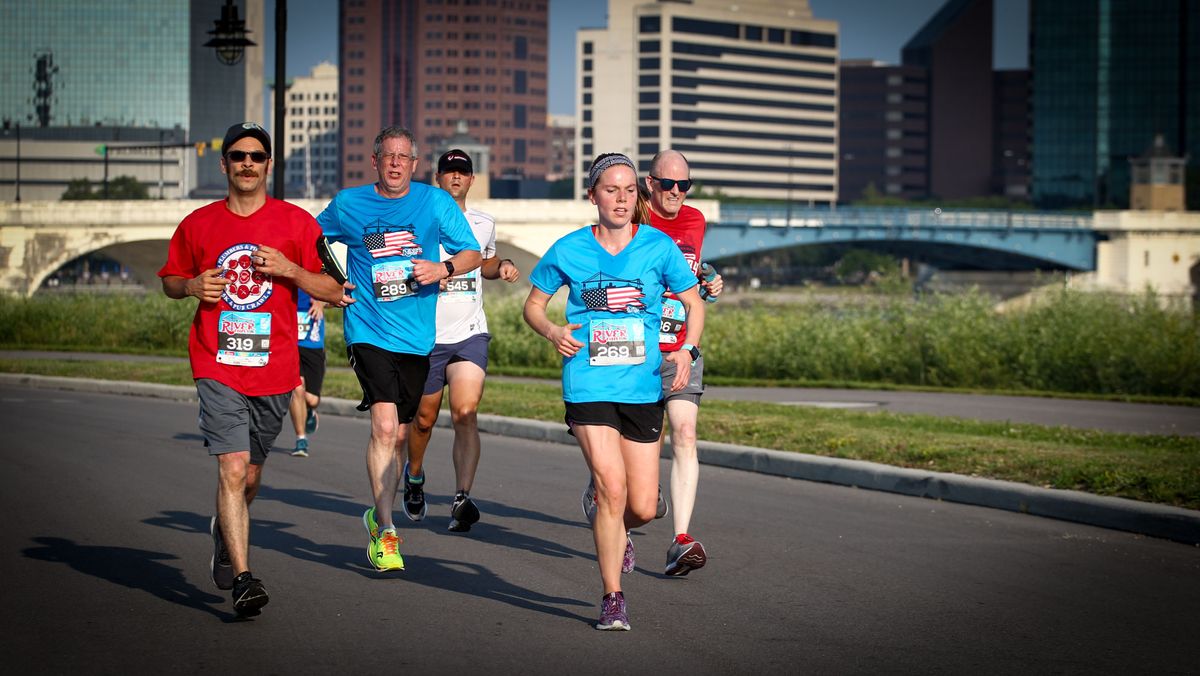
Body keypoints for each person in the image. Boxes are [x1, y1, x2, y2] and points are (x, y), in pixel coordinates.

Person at [158, 122, 348, 616]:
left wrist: (289, 270)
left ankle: (226, 530)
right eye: (238, 155)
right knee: (232, 466)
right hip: (216, 362)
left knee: (251, 478)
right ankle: (244, 578)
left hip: (275, 369)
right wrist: (192, 287)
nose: (248, 162)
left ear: (269, 165)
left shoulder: (298, 224)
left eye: (257, 156)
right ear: (224, 164)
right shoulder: (198, 224)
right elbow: (171, 282)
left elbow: (336, 291)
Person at [524, 153, 704, 631]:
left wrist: (687, 349)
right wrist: (551, 331)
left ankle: (619, 524)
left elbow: (692, 301)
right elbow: (533, 305)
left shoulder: (658, 248)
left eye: (628, 191)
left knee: (643, 506)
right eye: (611, 190)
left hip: (642, 386)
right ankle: (612, 597)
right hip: (588, 382)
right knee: (612, 490)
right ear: (593, 196)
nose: (621, 199)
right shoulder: (569, 249)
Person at [318, 127, 481, 572]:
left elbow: (471, 253)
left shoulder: (434, 203)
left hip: (417, 338)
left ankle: (377, 509)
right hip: (368, 329)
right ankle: (386, 530)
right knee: (385, 426)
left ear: (414, 163)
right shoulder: (349, 204)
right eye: (386, 156)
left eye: (402, 157)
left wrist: (442, 266)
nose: (394, 163)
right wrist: (331, 280)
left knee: (402, 433)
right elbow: (311, 238)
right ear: (375, 161)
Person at [581, 150, 724, 577]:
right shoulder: (630, 217)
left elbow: (692, 272)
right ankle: (608, 508)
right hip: (633, 352)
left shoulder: (696, 221)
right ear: (650, 183)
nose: (676, 194)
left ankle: (680, 540)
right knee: (626, 464)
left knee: (685, 430)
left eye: (684, 186)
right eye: (667, 185)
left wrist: (711, 281)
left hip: (680, 348)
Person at [403, 149, 521, 532]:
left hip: (470, 330)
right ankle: (415, 476)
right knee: (423, 420)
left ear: (471, 180)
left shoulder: (483, 222)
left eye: (462, 172)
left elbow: (484, 261)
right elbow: (400, 265)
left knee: (466, 412)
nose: (455, 177)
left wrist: (498, 266)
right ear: (437, 178)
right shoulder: (420, 219)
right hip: (428, 335)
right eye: (449, 171)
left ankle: (461, 497)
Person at [289, 289, 327, 457]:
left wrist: (321, 302)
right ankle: (301, 439)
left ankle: (310, 410)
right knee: (297, 388)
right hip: (290, 343)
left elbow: (337, 292)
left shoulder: (318, 271)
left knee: (311, 399)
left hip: (312, 343)